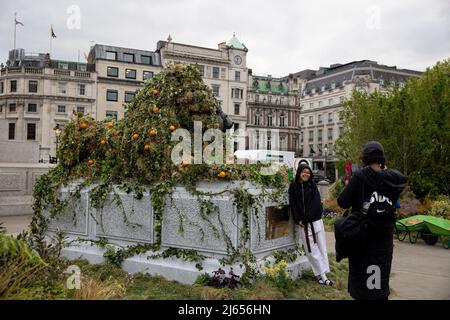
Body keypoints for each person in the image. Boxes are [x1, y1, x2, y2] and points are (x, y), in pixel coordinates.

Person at [337, 141, 407, 300]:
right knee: (379, 283)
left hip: (363, 237)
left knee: (363, 285)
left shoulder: (360, 176)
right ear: (381, 157)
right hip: (384, 238)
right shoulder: (393, 178)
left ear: (365, 157)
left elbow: (342, 202)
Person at [289, 163, 333, 286]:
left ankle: (322, 275)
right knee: (310, 250)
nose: (306, 175)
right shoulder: (293, 187)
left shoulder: (312, 186)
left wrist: (307, 218)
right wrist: (299, 220)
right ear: (299, 172)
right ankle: (322, 275)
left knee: (321, 247)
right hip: (304, 224)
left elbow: (316, 204)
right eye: (304, 172)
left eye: (308, 173)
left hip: (315, 221)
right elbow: (294, 205)